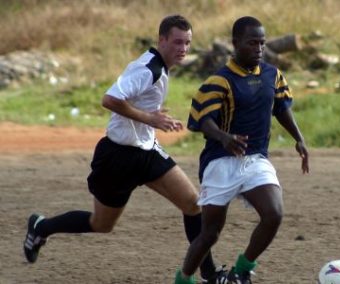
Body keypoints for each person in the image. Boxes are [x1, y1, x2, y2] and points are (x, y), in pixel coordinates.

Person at [23, 14, 226, 283]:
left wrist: (151, 119)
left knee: (192, 204)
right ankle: (41, 227)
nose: (183, 49)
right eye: (177, 42)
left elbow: (136, 105)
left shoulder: (160, 68)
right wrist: (150, 118)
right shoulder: (147, 69)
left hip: (146, 152)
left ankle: (210, 275)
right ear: (161, 39)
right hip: (118, 156)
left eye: (187, 43)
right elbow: (109, 99)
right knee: (101, 224)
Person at [174, 16, 309, 284]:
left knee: (274, 214)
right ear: (235, 44)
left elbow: (282, 108)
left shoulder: (273, 74)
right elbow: (201, 120)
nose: (259, 48)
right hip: (220, 162)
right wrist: (224, 137)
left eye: (262, 43)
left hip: (255, 160)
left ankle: (241, 270)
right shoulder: (219, 80)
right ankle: (184, 279)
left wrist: (299, 138)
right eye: (252, 43)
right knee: (210, 233)